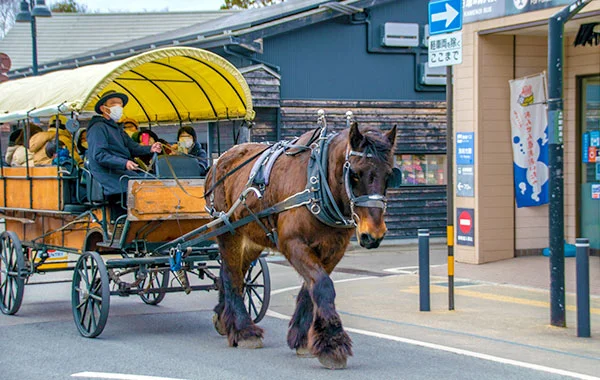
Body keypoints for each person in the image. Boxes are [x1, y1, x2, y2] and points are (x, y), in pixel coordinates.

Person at [86, 90, 161, 200]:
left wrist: (150, 148)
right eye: (113, 103)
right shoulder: (98, 128)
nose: (118, 106)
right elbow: (100, 155)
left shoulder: (117, 129)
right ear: (103, 108)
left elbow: (133, 147)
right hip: (108, 175)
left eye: (120, 104)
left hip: (121, 172)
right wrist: (124, 163)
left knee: (155, 182)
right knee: (146, 187)